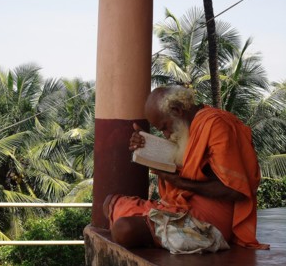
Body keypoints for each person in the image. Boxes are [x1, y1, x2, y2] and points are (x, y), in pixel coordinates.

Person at [103, 85, 269, 252]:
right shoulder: (185, 128)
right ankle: (160, 233)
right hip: (179, 206)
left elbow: (236, 191)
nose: (166, 134)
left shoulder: (216, 125)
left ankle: (167, 234)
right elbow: (182, 164)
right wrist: (145, 145)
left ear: (177, 110)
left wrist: (180, 183)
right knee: (110, 202)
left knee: (124, 229)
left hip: (211, 219)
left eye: (165, 127)